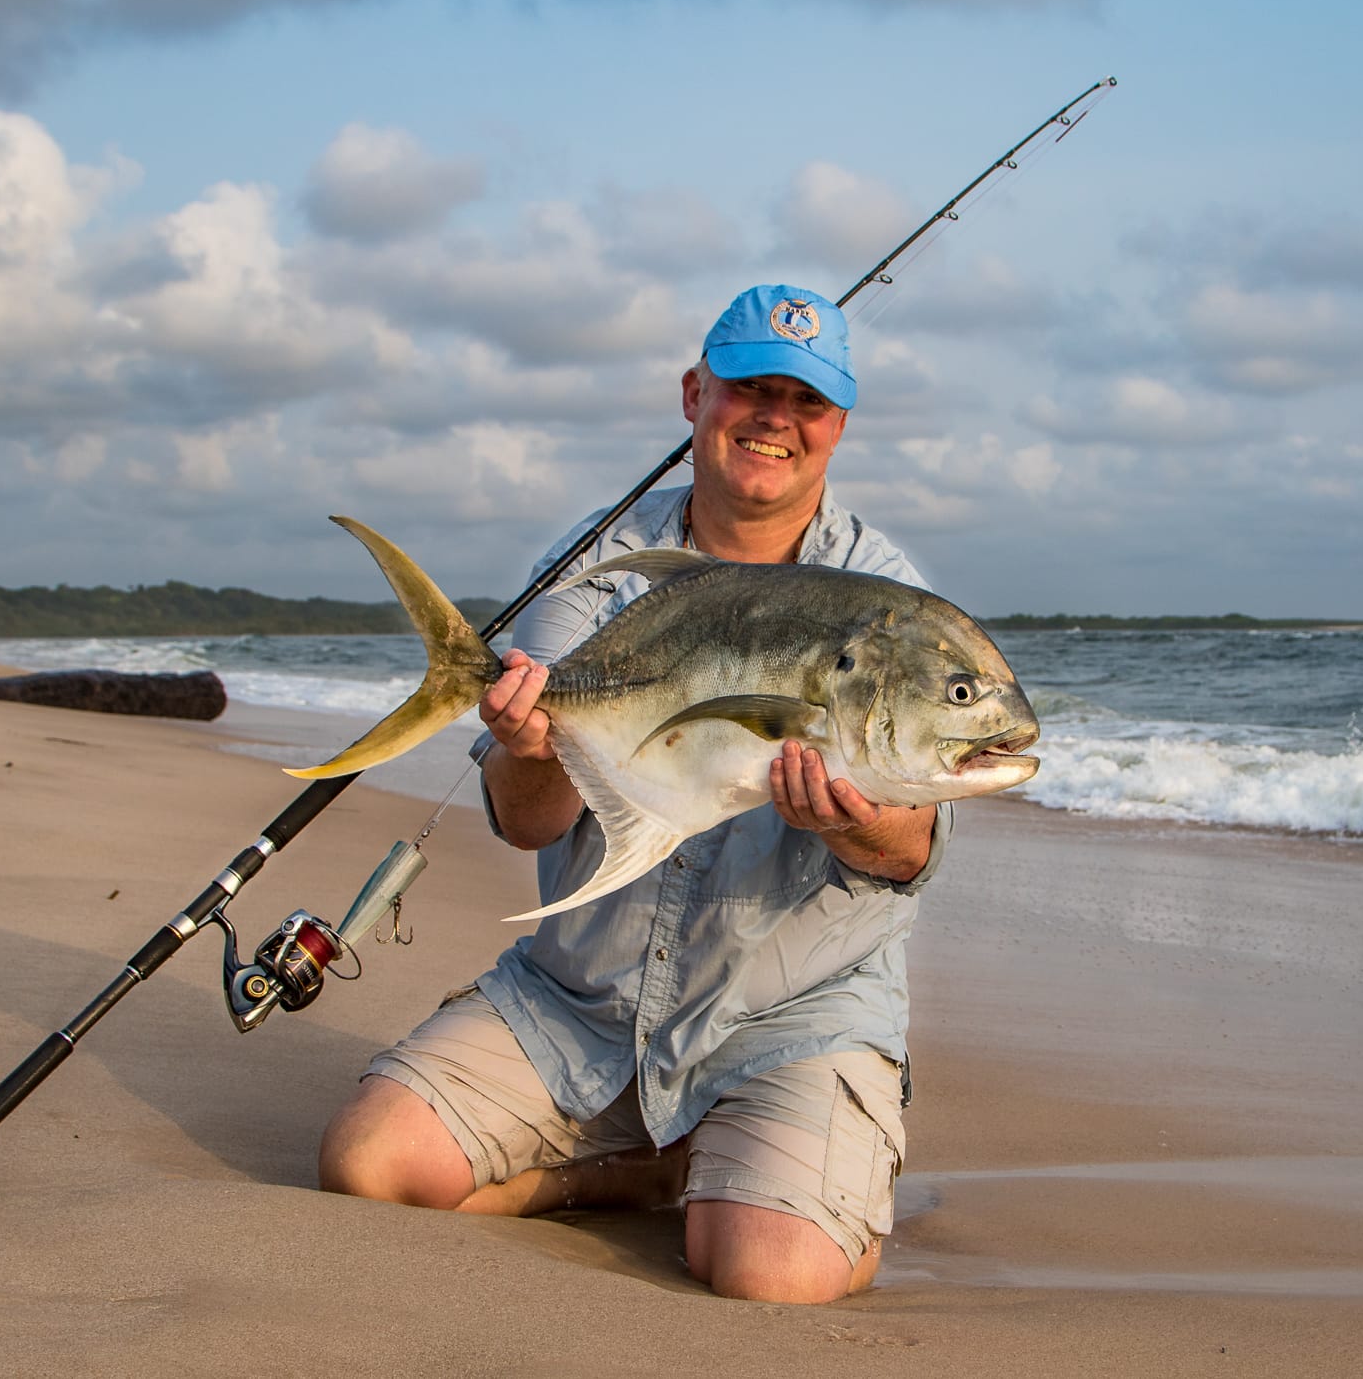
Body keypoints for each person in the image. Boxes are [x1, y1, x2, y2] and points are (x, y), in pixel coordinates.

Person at [317, 284, 953, 1304]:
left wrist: (856, 821)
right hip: (583, 1003)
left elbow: (908, 851)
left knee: (771, 1279)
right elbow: (530, 818)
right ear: (696, 394)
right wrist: (531, 745)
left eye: (806, 401)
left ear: (837, 426)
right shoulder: (594, 569)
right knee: (368, 1164)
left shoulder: (883, 601)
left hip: (785, 1018)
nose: (774, 419)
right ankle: (648, 1168)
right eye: (750, 388)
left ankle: (761, 1173)